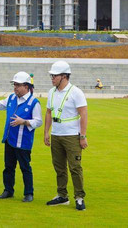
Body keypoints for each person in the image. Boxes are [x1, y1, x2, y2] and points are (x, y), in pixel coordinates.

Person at [0, 72, 42, 203]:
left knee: (25, 167)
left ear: (26, 86)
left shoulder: (34, 102)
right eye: (14, 84)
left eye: (18, 85)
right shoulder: (11, 98)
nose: (15, 87)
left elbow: (38, 121)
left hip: (23, 141)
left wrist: (24, 121)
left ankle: (29, 193)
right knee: (8, 167)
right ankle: (8, 190)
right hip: (10, 139)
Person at [44, 61, 88, 211]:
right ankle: (62, 195)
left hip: (71, 136)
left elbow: (83, 115)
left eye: (54, 76)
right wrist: (46, 132)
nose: (52, 78)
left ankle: (79, 197)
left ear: (64, 76)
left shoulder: (76, 92)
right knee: (59, 168)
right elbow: (49, 112)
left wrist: (82, 136)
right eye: (52, 75)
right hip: (56, 135)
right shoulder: (51, 92)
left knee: (75, 167)